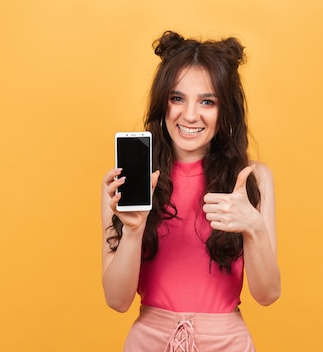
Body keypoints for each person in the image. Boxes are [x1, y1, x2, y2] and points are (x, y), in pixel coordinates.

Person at [101, 31, 281, 352]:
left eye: (207, 101)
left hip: (227, 343)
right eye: (177, 98)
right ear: (162, 104)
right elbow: (117, 301)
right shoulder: (126, 183)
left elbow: (267, 295)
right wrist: (133, 230)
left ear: (225, 110)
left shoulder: (254, 179)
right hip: (149, 343)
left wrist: (253, 227)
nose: (190, 115)